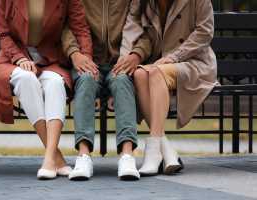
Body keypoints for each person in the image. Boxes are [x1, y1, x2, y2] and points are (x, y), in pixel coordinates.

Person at [0, 0, 92, 180]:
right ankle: (54, 158)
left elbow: (80, 28)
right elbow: (3, 33)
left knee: (55, 82)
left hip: (50, 59)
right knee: (26, 78)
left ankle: (50, 157)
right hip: (13, 58)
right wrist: (18, 58)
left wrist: (86, 59)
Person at [121, 0, 218, 175]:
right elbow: (131, 28)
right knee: (139, 74)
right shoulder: (142, 2)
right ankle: (165, 150)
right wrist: (124, 60)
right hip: (160, 62)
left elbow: (204, 33)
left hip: (194, 63)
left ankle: (153, 149)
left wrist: (174, 57)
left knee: (156, 72)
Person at [62, 0, 151, 181]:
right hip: (87, 61)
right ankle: (83, 156)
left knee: (122, 81)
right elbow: (65, 26)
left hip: (120, 63)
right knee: (86, 80)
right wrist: (74, 53)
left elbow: (148, 31)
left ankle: (127, 155)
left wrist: (137, 54)